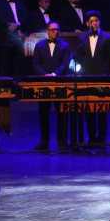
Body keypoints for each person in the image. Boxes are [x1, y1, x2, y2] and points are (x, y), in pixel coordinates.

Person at [72, 11, 110, 149]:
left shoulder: (108, 38)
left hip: (103, 77)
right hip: (86, 77)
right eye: (91, 21)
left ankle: (101, 138)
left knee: (102, 110)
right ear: (87, 23)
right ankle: (91, 138)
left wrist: (108, 76)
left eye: (96, 20)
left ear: (99, 22)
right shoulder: (82, 37)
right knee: (89, 110)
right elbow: (78, 57)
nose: (94, 23)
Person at [32, 21, 71, 152]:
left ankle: (62, 142)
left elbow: (65, 64)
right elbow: (36, 64)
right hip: (44, 84)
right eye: (53, 29)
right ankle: (44, 141)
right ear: (48, 31)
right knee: (43, 113)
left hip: (60, 84)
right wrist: (45, 75)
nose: (55, 32)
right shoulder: (39, 45)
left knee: (62, 113)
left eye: (57, 30)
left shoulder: (65, 46)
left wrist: (55, 74)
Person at [0, 0, 27, 75]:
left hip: (19, 39)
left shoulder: (20, 3)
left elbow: (25, 18)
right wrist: (10, 26)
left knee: (19, 66)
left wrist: (19, 26)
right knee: (6, 67)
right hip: (6, 40)